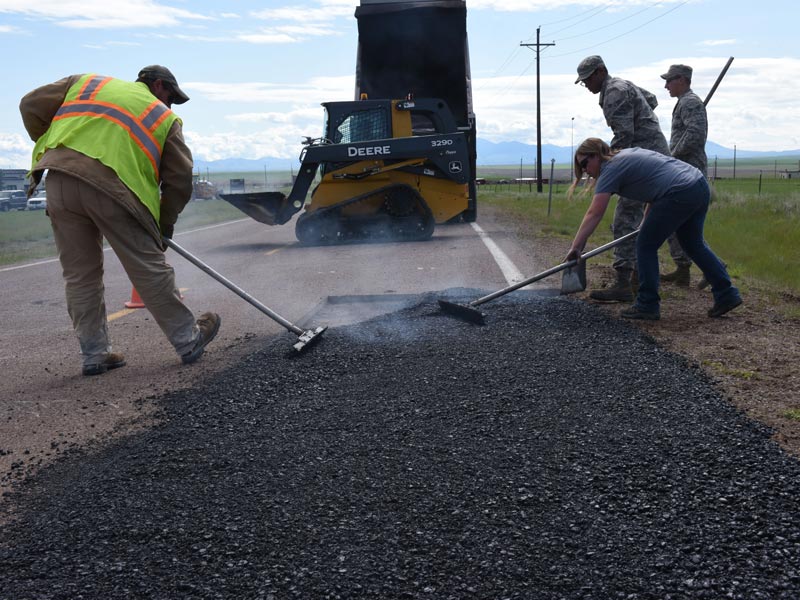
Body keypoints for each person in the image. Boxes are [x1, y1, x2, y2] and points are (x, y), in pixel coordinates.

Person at [19, 66, 220, 376]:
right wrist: (164, 226)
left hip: (59, 181)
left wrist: (54, 143)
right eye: (171, 97)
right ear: (158, 85)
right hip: (113, 187)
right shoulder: (162, 117)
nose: (170, 105)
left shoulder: (85, 83)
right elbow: (179, 181)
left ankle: (95, 355)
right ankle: (187, 339)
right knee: (147, 267)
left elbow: (29, 105)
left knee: (80, 275)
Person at [566, 138, 741, 321]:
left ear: (596, 155)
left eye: (585, 164)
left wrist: (576, 247)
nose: (585, 170)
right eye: (581, 167)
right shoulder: (624, 157)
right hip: (697, 185)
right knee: (693, 244)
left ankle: (647, 304)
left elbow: (594, 213)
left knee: (645, 246)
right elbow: (654, 188)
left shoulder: (610, 168)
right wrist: (645, 222)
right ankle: (726, 293)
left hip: (680, 191)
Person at [574, 55, 672, 302]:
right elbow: (652, 100)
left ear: (601, 71)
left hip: (642, 164)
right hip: (652, 158)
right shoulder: (621, 86)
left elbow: (624, 136)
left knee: (625, 219)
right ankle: (639, 276)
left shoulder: (615, 91)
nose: (586, 85)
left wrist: (609, 168)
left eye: (588, 79)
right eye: (583, 82)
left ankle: (623, 282)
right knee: (654, 220)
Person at [661, 63, 710, 288]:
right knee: (679, 224)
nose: (666, 86)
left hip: (689, 172)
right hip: (682, 171)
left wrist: (672, 156)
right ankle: (683, 269)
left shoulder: (690, 102)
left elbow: (695, 135)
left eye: (669, 80)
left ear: (681, 80)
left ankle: (712, 268)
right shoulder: (684, 102)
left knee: (682, 224)